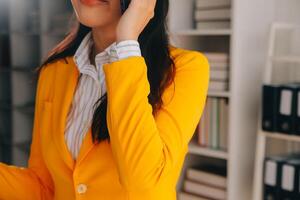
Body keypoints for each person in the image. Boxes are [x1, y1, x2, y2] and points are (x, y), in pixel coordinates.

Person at [0, 0, 209, 199]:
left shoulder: (185, 69)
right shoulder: (54, 71)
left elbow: (144, 183)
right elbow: (44, 187)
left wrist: (126, 42)